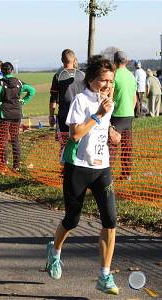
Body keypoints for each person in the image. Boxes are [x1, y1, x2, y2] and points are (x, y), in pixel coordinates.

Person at [45, 56, 121, 295]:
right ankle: (54, 252)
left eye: (110, 81)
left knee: (110, 221)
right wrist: (98, 114)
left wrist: (111, 130)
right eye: (102, 81)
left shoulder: (107, 99)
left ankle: (104, 276)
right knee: (72, 220)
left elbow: (101, 125)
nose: (107, 85)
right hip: (77, 166)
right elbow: (76, 134)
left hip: (102, 168)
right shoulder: (81, 100)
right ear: (91, 79)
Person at [0, 62, 36, 172]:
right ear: (12, 70)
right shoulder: (19, 82)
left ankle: (4, 164)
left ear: (2, 71)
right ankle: (16, 165)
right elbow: (32, 90)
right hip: (17, 114)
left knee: (3, 139)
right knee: (15, 138)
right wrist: (23, 101)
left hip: (4, 115)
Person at [49, 49, 85, 146]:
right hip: (80, 117)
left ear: (62, 60)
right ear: (74, 60)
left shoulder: (58, 76)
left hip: (64, 117)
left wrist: (51, 115)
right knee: (80, 145)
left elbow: (53, 98)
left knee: (64, 145)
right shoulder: (83, 75)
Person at [110, 51, 137, 180]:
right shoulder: (131, 76)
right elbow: (135, 98)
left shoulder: (114, 75)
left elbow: (110, 95)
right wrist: (130, 110)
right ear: (126, 61)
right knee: (127, 146)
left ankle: (107, 174)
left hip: (116, 114)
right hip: (129, 115)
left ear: (115, 61)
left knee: (112, 145)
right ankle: (127, 174)